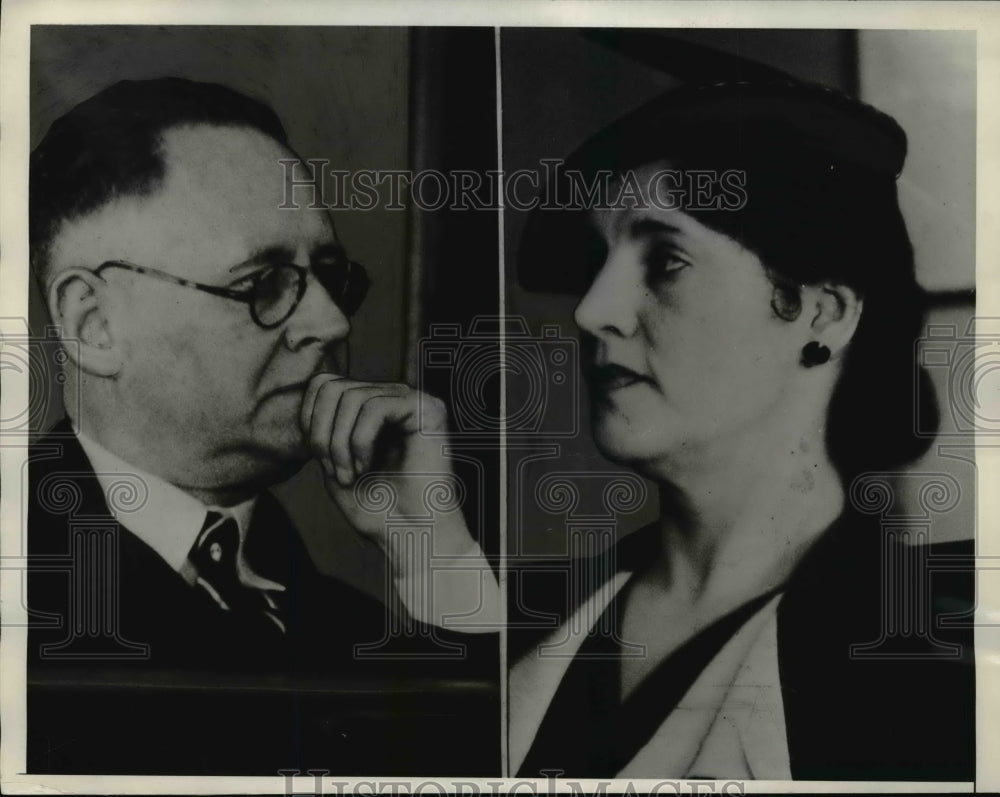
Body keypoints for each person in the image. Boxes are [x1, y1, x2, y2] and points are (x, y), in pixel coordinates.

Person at [26, 77, 498, 775]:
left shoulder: (352, 632)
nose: (332, 323)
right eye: (263, 283)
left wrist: (436, 552)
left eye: (328, 275)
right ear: (94, 325)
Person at [509, 79, 974, 780]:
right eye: (596, 263)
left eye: (665, 260)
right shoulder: (526, 614)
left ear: (823, 315)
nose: (591, 310)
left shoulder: (932, 672)